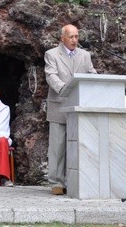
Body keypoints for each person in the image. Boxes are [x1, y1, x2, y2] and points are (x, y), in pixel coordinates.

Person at [44, 24, 96, 195]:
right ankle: (56, 182)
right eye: (71, 37)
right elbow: (51, 75)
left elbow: (91, 73)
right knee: (58, 147)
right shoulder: (51, 54)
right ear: (62, 38)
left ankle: (77, 180)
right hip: (59, 104)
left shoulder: (85, 55)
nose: (75, 40)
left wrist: (98, 82)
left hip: (79, 106)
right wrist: (65, 88)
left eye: (76, 36)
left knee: (79, 145)